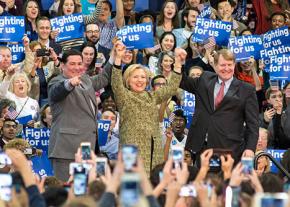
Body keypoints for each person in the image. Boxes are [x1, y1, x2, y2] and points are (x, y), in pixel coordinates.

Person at [111, 42, 186, 174]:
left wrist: (178, 64)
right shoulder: (124, 96)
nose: (140, 80)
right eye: (135, 77)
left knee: (153, 185)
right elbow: (116, 83)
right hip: (131, 150)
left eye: (143, 77)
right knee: (133, 187)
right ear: (128, 80)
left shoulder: (152, 96)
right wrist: (118, 58)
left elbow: (171, 88)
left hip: (154, 149)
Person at [180, 49, 259, 163]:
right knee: (201, 181)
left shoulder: (247, 89)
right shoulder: (204, 79)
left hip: (230, 151)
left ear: (234, 65)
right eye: (222, 65)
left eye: (229, 65)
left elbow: (253, 125)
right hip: (202, 148)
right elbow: (182, 81)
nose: (226, 68)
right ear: (215, 66)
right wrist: (179, 64)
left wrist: (250, 148)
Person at [48, 49, 112, 181]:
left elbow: (103, 78)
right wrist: (69, 83)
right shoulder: (56, 81)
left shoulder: (86, 80)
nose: (77, 67)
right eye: (72, 64)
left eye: (79, 63)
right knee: (67, 191)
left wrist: (114, 57)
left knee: (87, 191)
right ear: (63, 65)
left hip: (88, 149)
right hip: (67, 150)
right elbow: (57, 92)